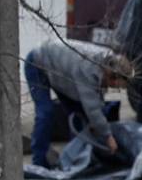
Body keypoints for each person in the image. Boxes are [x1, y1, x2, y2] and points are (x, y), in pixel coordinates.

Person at [23, 40, 132, 168]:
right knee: (45, 113)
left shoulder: (106, 62)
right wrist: (108, 136)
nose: (115, 88)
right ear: (112, 77)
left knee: (78, 113)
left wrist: (98, 126)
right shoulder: (87, 70)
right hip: (37, 64)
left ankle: (76, 158)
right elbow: (93, 109)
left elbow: (97, 99)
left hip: (62, 71)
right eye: (116, 86)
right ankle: (39, 163)